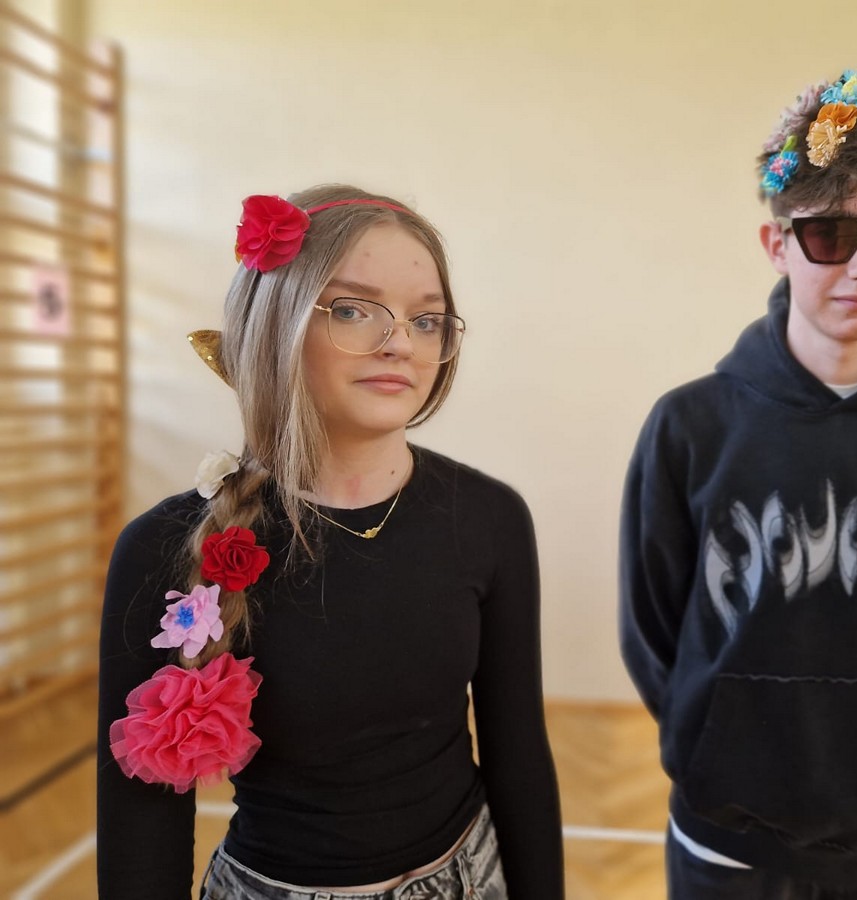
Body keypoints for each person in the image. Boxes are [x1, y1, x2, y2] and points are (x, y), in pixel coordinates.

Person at [97, 185, 564, 900]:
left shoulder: (489, 517)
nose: (400, 343)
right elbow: (143, 825)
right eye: (351, 309)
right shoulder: (163, 548)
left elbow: (518, 752)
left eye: (427, 320)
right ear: (274, 325)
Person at [619, 69, 857, 899]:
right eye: (830, 235)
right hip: (728, 835)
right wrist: (713, 740)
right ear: (777, 245)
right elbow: (653, 629)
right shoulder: (690, 426)